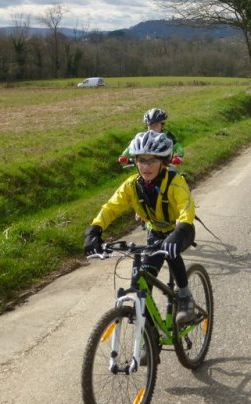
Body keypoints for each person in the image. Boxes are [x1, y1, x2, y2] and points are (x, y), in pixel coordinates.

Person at [84, 131, 197, 324]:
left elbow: (186, 208)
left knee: (171, 253)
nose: (146, 167)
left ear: (164, 161)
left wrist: (179, 231)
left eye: (152, 161)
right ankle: (148, 337)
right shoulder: (132, 185)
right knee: (142, 280)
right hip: (154, 231)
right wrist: (94, 230)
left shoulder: (175, 182)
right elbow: (111, 207)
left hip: (180, 231)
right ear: (134, 161)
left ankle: (186, 297)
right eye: (141, 161)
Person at [119, 108, 184, 166]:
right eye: (150, 125)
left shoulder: (167, 136)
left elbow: (177, 146)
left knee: (173, 176)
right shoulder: (143, 137)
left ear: (162, 125)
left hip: (165, 164)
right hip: (147, 164)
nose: (153, 128)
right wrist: (125, 156)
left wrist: (178, 156)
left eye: (156, 125)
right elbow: (132, 147)